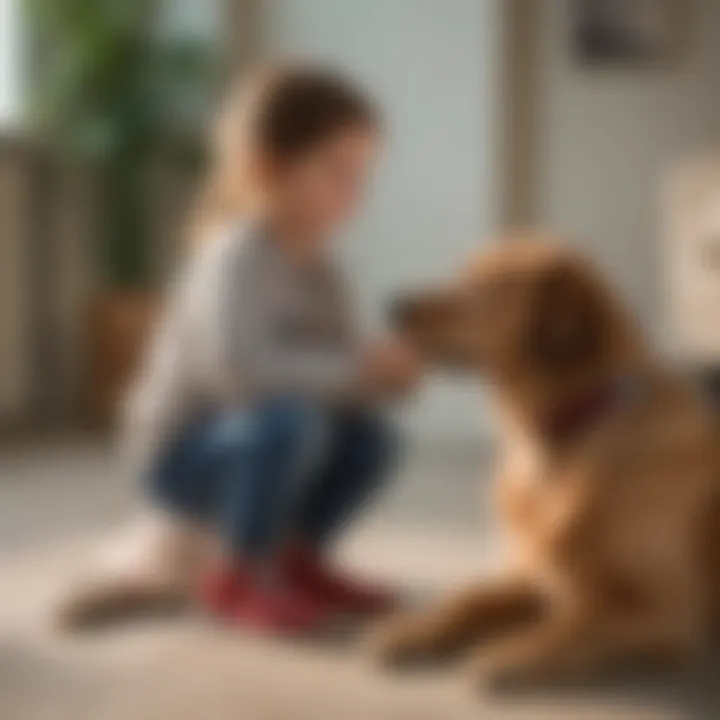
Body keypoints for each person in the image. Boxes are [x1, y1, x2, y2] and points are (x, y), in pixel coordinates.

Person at [61, 65, 421, 635]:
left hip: (260, 436)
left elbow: (339, 376)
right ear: (268, 169)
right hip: (181, 456)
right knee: (292, 421)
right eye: (337, 171)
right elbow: (239, 372)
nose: (356, 192)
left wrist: (385, 375)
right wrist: (355, 367)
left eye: (362, 175)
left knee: (372, 437)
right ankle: (239, 572)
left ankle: (296, 559)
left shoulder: (326, 272)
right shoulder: (235, 259)